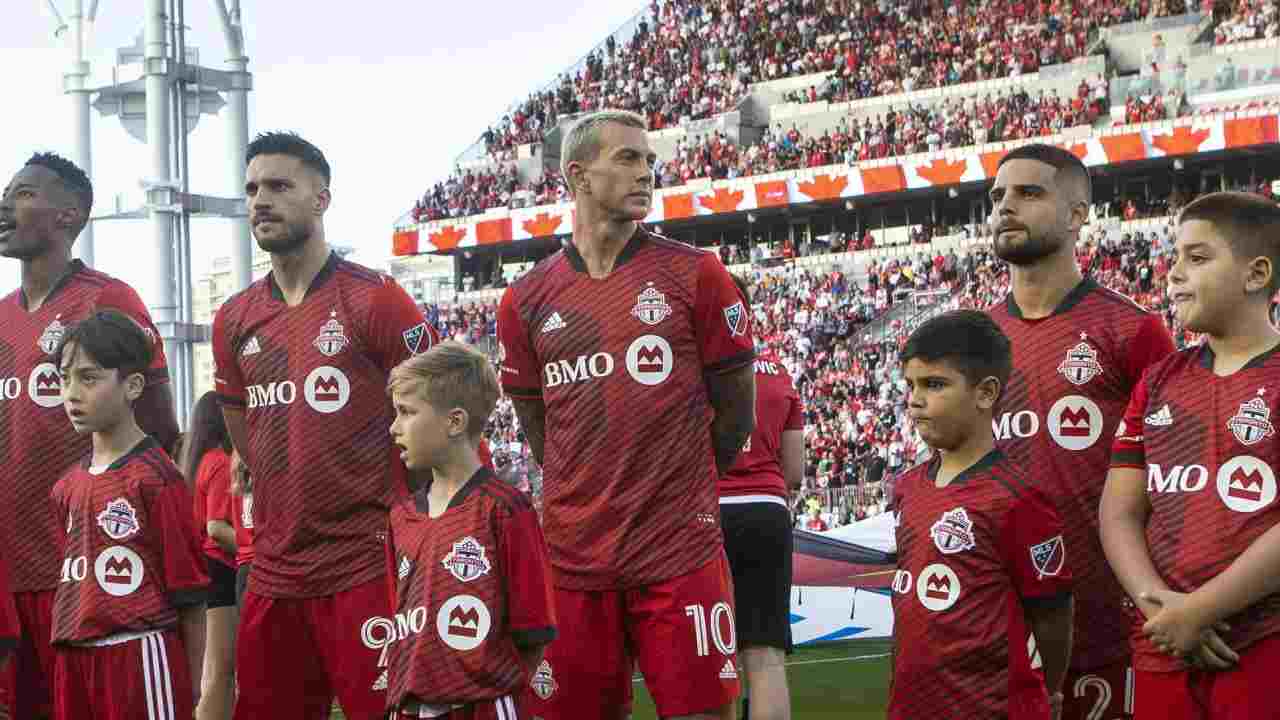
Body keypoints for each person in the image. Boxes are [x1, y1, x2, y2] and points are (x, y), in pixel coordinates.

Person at [498, 110, 756, 720]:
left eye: (648, 160)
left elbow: (735, 418)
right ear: (578, 175)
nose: (646, 172)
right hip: (572, 561)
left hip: (678, 554)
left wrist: (677, 490)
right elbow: (541, 433)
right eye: (628, 158)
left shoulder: (696, 275)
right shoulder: (526, 300)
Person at [211, 132, 438, 720]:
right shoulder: (234, 319)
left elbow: (442, 413)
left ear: (322, 200)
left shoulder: (376, 299)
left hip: (368, 564)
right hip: (274, 571)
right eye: (253, 189)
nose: (261, 200)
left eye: (280, 186)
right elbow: (243, 434)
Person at [987, 143, 1175, 720]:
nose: (1004, 208)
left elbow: (1169, 479)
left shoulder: (1132, 330)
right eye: (997, 197)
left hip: (1110, 619)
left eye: (1029, 192)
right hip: (1000, 619)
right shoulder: (976, 341)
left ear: (1076, 216)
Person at [0, 152, 180, 720]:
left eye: (24, 193)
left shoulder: (108, 300)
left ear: (70, 215)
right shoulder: (1, 318)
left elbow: (158, 427)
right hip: (10, 573)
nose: (5, 204)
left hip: (88, 568)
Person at [1102, 192, 1280, 719]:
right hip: (1162, 644)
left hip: (1262, 641)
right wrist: (1160, 606)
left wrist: (1202, 610)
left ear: (1257, 274)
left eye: (1197, 258)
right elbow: (1119, 512)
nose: (1174, 273)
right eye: (1175, 256)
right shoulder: (1158, 382)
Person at [890, 309, 1074, 719]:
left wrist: (1053, 690)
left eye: (934, 384)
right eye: (911, 385)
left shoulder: (1018, 497)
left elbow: (1053, 613)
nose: (915, 400)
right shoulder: (907, 487)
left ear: (986, 393)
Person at [49, 310, 208, 719]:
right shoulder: (66, 486)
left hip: (138, 654)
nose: (71, 393)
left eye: (89, 378)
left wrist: (190, 688)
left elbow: (190, 597)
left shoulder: (156, 478)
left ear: (133, 385)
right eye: (64, 379)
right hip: (73, 658)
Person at [383, 341, 556, 719]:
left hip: (484, 707)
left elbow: (533, 636)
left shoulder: (506, 509)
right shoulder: (401, 516)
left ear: (454, 422)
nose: (394, 427)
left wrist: (485, 693)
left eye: (406, 412)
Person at [720, 274, 802, 720]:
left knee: (715, 655)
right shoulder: (778, 371)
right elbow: (795, 471)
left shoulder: (690, 368)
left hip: (705, 515)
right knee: (766, 658)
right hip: (767, 510)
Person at [183, 392, 237, 720]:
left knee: (214, 670)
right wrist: (255, 550)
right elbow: (216, 527)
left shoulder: (195, 460)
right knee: (221, 671)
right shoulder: (218, 461)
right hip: (220, 568)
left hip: (205, 569)